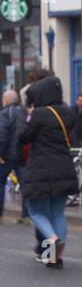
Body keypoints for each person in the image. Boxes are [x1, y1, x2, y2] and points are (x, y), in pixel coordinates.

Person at [17, 75, 78, 268]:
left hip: (41, 168)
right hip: (63, 166)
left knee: (36, 211)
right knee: (57, 213)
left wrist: (30, 115)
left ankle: (51, 237)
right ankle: (54, 257)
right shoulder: (68, 112)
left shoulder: (40, 113)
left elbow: (24, 137)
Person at [0, 89, 23, 223]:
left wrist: (0, 154)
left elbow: (2, 136)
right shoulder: (24, 112)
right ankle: (26, 215)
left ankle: (0, 213)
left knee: (0, 183)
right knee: (25, 185)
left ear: (6, 100)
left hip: (7, 155)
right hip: (22, 155)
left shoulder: (4, 114)